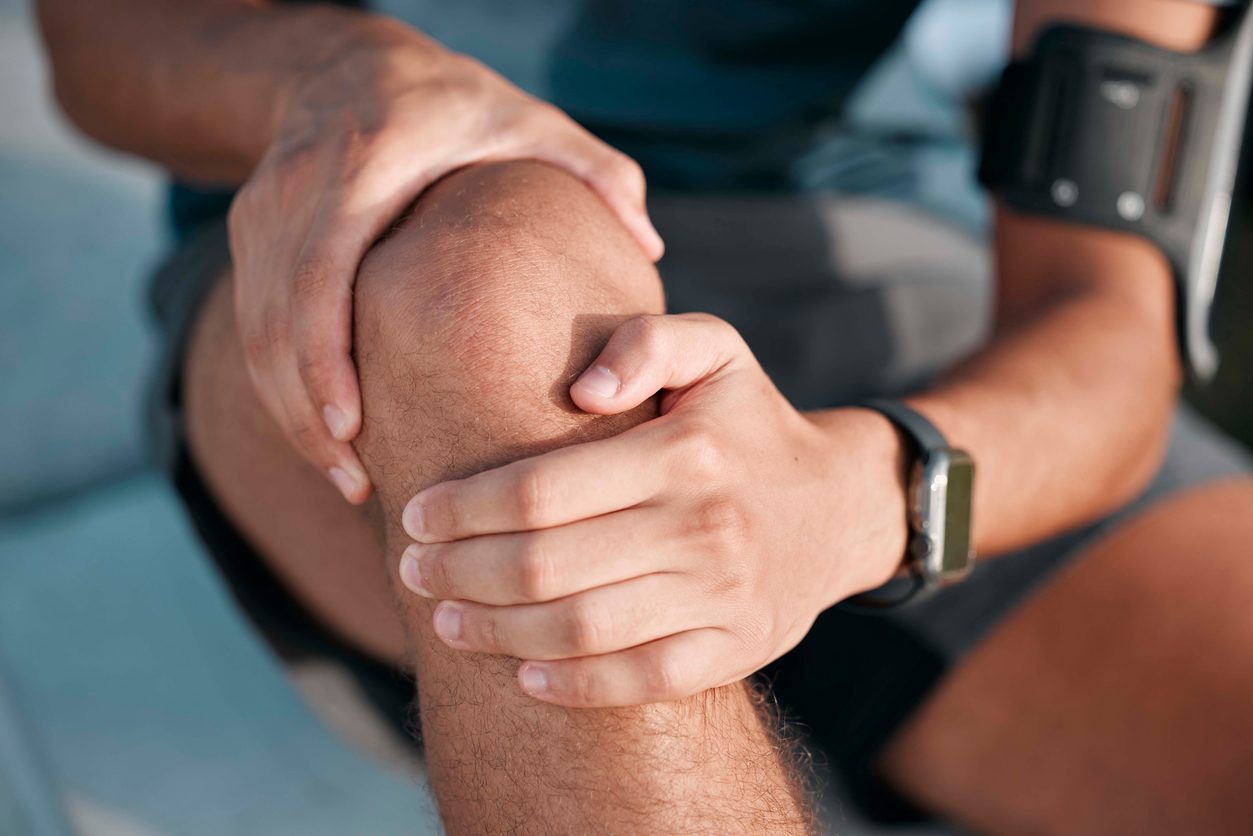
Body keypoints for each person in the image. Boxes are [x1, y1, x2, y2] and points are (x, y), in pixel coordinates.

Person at [38, 0, 1253, 831]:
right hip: (377, 221)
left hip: (878, 280)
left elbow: (1105, 331)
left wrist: (854, 498)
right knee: (487, 295)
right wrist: (341, 72)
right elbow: (99, 36)